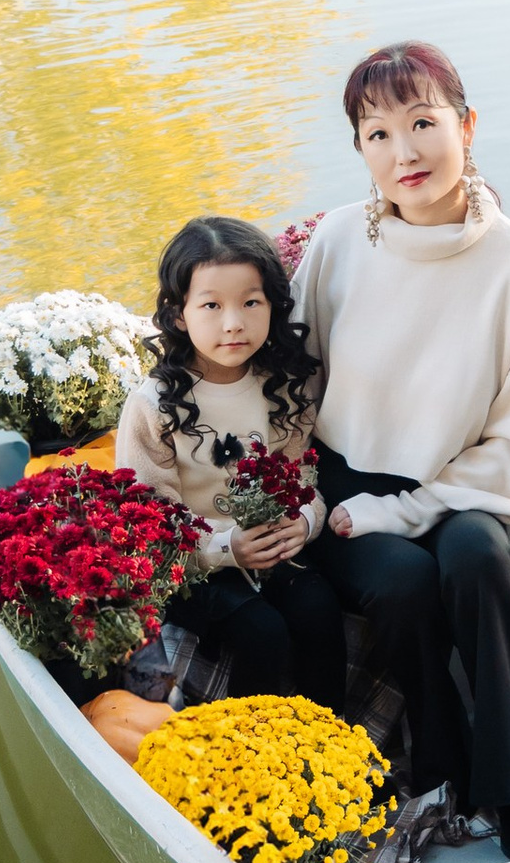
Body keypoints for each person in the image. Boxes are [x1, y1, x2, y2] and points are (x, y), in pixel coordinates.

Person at [293, 44, 510, 860]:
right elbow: (292, 383)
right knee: (405, 581)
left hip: (461, 479)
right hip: (346, 479)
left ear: (466, 126)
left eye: (422, 123)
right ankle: (444, 764)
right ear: (360, 150)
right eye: (377, 134)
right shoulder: (341, 242)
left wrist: (412, 508)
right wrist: (300, 492)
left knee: (479, 558)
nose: (403, 152)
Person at [115, 214, 347, 717]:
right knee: (260, 630)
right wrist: (225, 547)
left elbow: (304, 478)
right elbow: (150, 519)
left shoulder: (283, 387)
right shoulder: (155, 405)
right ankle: (244, 743)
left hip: (271, 550)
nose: (234, 323)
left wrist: (304, 521)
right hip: (194, 566)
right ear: (179, 315)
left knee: (318, 610)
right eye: (211, 305)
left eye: (250, 302)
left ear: (273, 305)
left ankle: (330, 739)